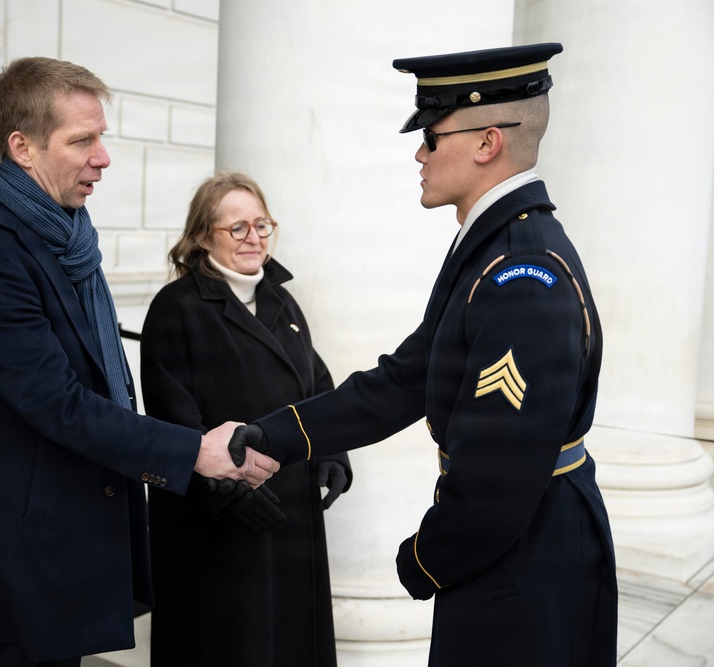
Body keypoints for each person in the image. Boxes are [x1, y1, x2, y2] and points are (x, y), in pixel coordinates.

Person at [229, 43, 617, 666]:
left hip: (526, 554)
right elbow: (406, 379)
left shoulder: (521, 273)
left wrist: (427, 558)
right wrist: (273, 435)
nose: (418, 153)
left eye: (431, 137)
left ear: (487, 143)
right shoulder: (490, 245)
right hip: (512, 544)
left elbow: (500, 471)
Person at [0, 57, 278, 667]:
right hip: (18, 546)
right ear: (23, 148)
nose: (103, 157)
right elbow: (57, 403)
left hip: (64, 535)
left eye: (102, 137)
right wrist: (193, 451)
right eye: (82, 140)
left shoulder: (66, 238)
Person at [139, 172, 352, 667]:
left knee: (291, 643)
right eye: (237, 228)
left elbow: (316, 383)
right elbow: (175, 420)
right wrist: (230, 495)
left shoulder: (281, 299)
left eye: (261, 225)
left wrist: (334, 452)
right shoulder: (177, 308)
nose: (254, 237)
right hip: (217, 525)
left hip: (289, 510)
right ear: (200, 237)